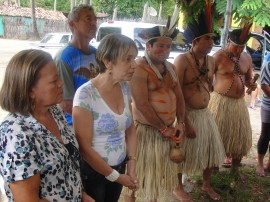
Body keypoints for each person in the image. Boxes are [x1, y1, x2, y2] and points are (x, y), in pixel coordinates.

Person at [0, 49, 94, 202]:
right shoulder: (16, 133)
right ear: (30, 90)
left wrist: (81, 195)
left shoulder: (54, 111)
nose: (61, 83)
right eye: (54, 80)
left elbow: (67, 166)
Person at [72, 34, 139, 202]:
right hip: (94, 173)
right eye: (128, 59)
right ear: (108, 62)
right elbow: (85, 149)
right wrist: (117, 176)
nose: (134, 65)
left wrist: (131, 165)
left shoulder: (124, 87)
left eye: (135, 58)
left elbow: (130, 129)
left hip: (119, 165)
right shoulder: (85, 95)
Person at [128, 18, 186, 201]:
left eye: (168, 47)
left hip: (168, 131)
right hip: (147, 132)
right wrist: (164, 128)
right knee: (136, 179)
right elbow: (141, 104)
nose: (165, 51)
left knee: (156, 178)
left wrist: (181, 123)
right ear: (148, 46)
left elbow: (179, 97)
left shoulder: (171, 67)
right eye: (160, 46)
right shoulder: (139, 69)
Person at [174, 9, 225, 201]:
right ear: (195, 41)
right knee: (181, 152)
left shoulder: (211, 61)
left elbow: (211, 86)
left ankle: (206, 184)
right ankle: (177, 187)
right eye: (207, 39)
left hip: (205, 114)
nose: (211, 42)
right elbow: (176, 91)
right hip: (186, 113)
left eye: (212, 39)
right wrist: (184, 120)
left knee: (211, 150)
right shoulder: (182, 60)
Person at [208, 23, 257, 173]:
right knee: (217, 138)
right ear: (229, 41)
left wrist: (251, 85)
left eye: (241, 47)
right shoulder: (217, 57)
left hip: (238, 104)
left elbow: (248, 78)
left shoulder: (246, 57)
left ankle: (235, 170)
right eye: (236, 47)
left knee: (239, 139)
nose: (239, 50)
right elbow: (207, 80)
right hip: (220, 103)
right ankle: (214, 168)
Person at [54, 4, 98, 125]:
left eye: (95, 19)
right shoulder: (64, 57)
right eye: (88, 19)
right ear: (72, 24)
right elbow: (65, 104)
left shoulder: (96, 54)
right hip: (75, 125)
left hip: (96, 122)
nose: (94, 23)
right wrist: (91, 123)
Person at [256, 61, 270, 176]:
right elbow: (264, 86)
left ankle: (269, 163)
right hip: (268, 106)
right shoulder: (268, 65)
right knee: (265, 135)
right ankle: (260, 164)